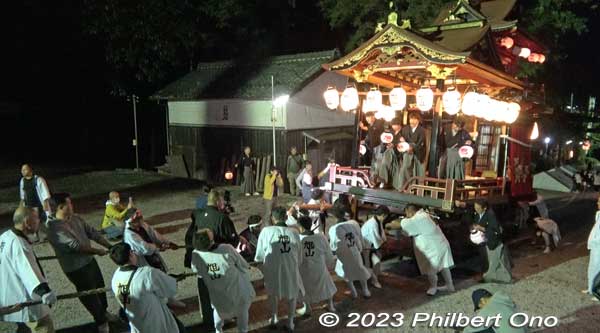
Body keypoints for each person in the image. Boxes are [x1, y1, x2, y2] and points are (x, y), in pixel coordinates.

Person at [46, 193, 114, 333]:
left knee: (99, 287)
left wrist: (109, 246)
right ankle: (100, 321)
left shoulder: (75, 218)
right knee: (89, 295)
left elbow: (92, 232)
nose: (72, 205)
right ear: (60, 207)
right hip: (75, 268)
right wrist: (97, 251)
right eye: (69, 203)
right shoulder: (54, 228)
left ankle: (104, 313)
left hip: (89, 261)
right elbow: (75, 247)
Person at [184, 189, 241, 331]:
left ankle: (209, 321)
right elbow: (233, 240)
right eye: (222, 200)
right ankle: (224, 318)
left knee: (205, 291)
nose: (223, 203)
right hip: (218, 258)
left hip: (201, 258)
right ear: (217, 202)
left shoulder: (199, 216)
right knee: (222, 291)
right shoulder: (222, 218)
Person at [0, 207, 57, 333]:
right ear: (27, 222)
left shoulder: (5, 236)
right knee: (44, 328)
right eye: (36, 218)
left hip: (10, 298)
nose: (38, 221)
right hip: (25, 300)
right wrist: (44, 291)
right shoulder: (19, 243)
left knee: (24, 329)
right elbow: (27, 269)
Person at [110, 242, 186, 333]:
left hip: (136, 322)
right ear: (130, 254)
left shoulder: (116, 277)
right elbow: (170, 289)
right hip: (155, 319)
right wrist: (175, 280)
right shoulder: (147, 274)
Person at [192, 229, 255, 333]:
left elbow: (197, 271)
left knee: (218, 310)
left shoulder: (195, 254)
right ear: (211, 240)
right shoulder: (226, 248)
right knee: (242, 310)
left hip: (216, 292)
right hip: (236, 290)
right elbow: (243, 264)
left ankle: (218, 330)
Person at [255, 207, 304, 331]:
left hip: (272, 268)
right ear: (286, 218)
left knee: (272, 294)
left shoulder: (266, 231)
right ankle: (291, 321)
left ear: (272, 218)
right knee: (292, 294)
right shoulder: (294, 232)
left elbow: (259, 256)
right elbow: (300, 257)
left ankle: (274, 317)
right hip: (290, 268)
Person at [388, 204, 455, 295]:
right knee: (444, 266)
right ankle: (449, 285)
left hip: (436, 248)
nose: (406, 215)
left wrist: (390, 224)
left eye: (406, 213)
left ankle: (433, 288)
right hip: (440, 245)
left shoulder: (419, 218)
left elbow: (402, 224)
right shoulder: (424, 215)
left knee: (431, 270)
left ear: (410, 211)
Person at [296, 216, 337, 315]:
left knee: (303, 287)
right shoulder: (321, 237)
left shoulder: (297, 240)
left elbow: (296, 260)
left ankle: (307, 307)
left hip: (304, 271)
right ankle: (330, 305)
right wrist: (328, 265)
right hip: (320, 268)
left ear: (300, 227)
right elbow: (329, 257)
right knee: (327, 285)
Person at [328, 205, 371, 299]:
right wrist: (359, 249)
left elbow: (333, 245)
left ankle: (354, 292)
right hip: (355, 251)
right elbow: (358, 238)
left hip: (343, 254)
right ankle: (365, 290)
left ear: (334, 217)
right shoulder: (352, 225)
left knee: (346, 274)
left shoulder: (333, 229)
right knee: (360, 270)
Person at [473, 200, 512, 284]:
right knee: (494, 261)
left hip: (494, 241)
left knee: (496, 261)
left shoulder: (491, 215)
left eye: (478, 208)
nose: (476, 209)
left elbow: (496, 230)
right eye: (475, 207)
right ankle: (497, 277)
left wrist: (482, 228)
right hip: (485, 241)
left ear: (485, 208)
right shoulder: (477, 214)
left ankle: (493, 278)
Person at [361, 205, 390, 289]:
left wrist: (385, 240)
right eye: (386, 216)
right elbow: (376, 238)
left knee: (378, 258)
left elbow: (381, 234)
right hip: (366, 246)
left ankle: (378, 272)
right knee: (370, 263)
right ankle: (374, 280)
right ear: (383, 215)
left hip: (372, 245)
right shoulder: (372, 224)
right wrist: (382, 245)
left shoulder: (377, 220)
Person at [399, 113, 426, 183]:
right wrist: (402, 141)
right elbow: (401, 140)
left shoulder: (422, 130)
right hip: (406, 151)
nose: (412, 121)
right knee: (405, 167)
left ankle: (416, 186)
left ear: (418, 120)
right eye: (411, 119)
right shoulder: (405, 129)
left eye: (414, 119)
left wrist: (412, 148)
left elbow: (421, 143)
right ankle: (406, 184)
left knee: (417, 170)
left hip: (417, 152)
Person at [585, 195, 600, 296]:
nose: (597, 203)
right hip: (595, 245)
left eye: (599, 201)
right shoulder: (598, 214)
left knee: (598, 268)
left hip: (598, 245)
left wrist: (595, 241)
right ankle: (590, 288)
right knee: (592, 267)